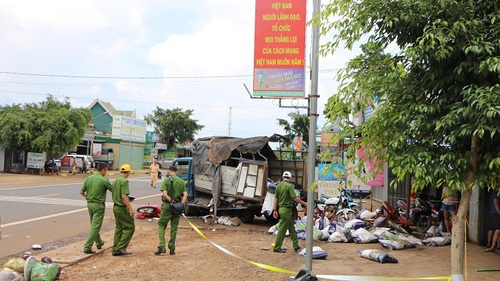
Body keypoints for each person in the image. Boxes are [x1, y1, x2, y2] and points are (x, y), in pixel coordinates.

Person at [154, 165, 187, 256]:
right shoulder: (181, 181)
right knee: (174, 227)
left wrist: (171, 201)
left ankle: (161, 246)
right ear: (176, 172)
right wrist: (181, 204)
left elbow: (165, 194)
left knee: (161, 224)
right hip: (177, 207)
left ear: (169, 171)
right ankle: (172, 248)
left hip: (168, 206)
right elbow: (185, 194)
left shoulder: (167, 180)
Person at [79, 163, 111, 254]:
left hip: (90, 204)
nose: (106, 172)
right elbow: (113, 190)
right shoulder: (104, 180)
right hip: (98, 206)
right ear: (103, 170)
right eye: (106, 170)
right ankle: (87, 246)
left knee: (94, 225)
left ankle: (99, 242)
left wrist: (87, 197)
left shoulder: (88, 178)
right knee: (95, 227)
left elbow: (81, 191)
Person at [272, 171, 307, 253]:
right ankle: (277, 247)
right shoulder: (289, 186)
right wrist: (304, 203)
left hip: (281, 209)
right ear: (290, 178)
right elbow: (294, 198)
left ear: (282, 177)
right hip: (287, 210)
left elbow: (275, 199)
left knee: (291, 228)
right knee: (282, 229)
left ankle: (296, 246)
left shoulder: (278, 186)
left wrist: (275, 210)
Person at [111, 164, 135, 256]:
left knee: (119, 228)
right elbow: (124, 195)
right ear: (128, 172)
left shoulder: (116, 180)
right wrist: (130, 209)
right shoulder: (124, 181)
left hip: (116, 207)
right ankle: (121, 247)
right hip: (122, 208)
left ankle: (115, 249)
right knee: (130, 227)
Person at [485, 186, 500, 252]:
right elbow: (495, 204)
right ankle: (493, 246)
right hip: (495, 213)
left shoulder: (492, 194)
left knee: (491, 228)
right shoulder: (495, 194)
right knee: (498, 229)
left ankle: (489, 243)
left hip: (492, 213)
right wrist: (499, 213)